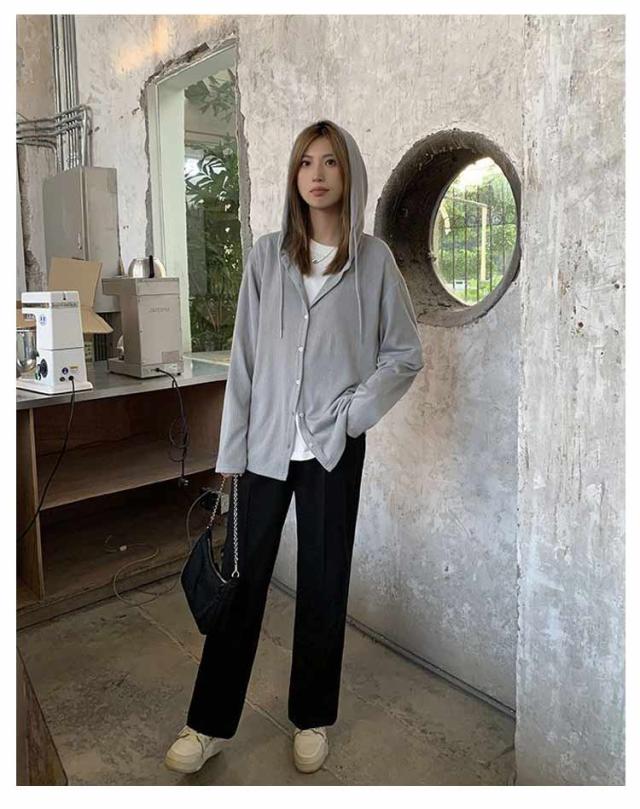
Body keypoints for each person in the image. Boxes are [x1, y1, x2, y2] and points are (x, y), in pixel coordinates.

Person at [164, 120, 424, 776]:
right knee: (241, 582)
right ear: (294, 175)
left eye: (329, 161)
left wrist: (353, 415)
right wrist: (230, 454)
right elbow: (245, 362)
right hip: (264, 449)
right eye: (306, 162)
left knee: (323, 583)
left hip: (333, 450)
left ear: (348, 171)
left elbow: (403, 354)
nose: (316, 174)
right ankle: (208, 722)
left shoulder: (373, 262)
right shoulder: (266, 257)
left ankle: (312, 716)